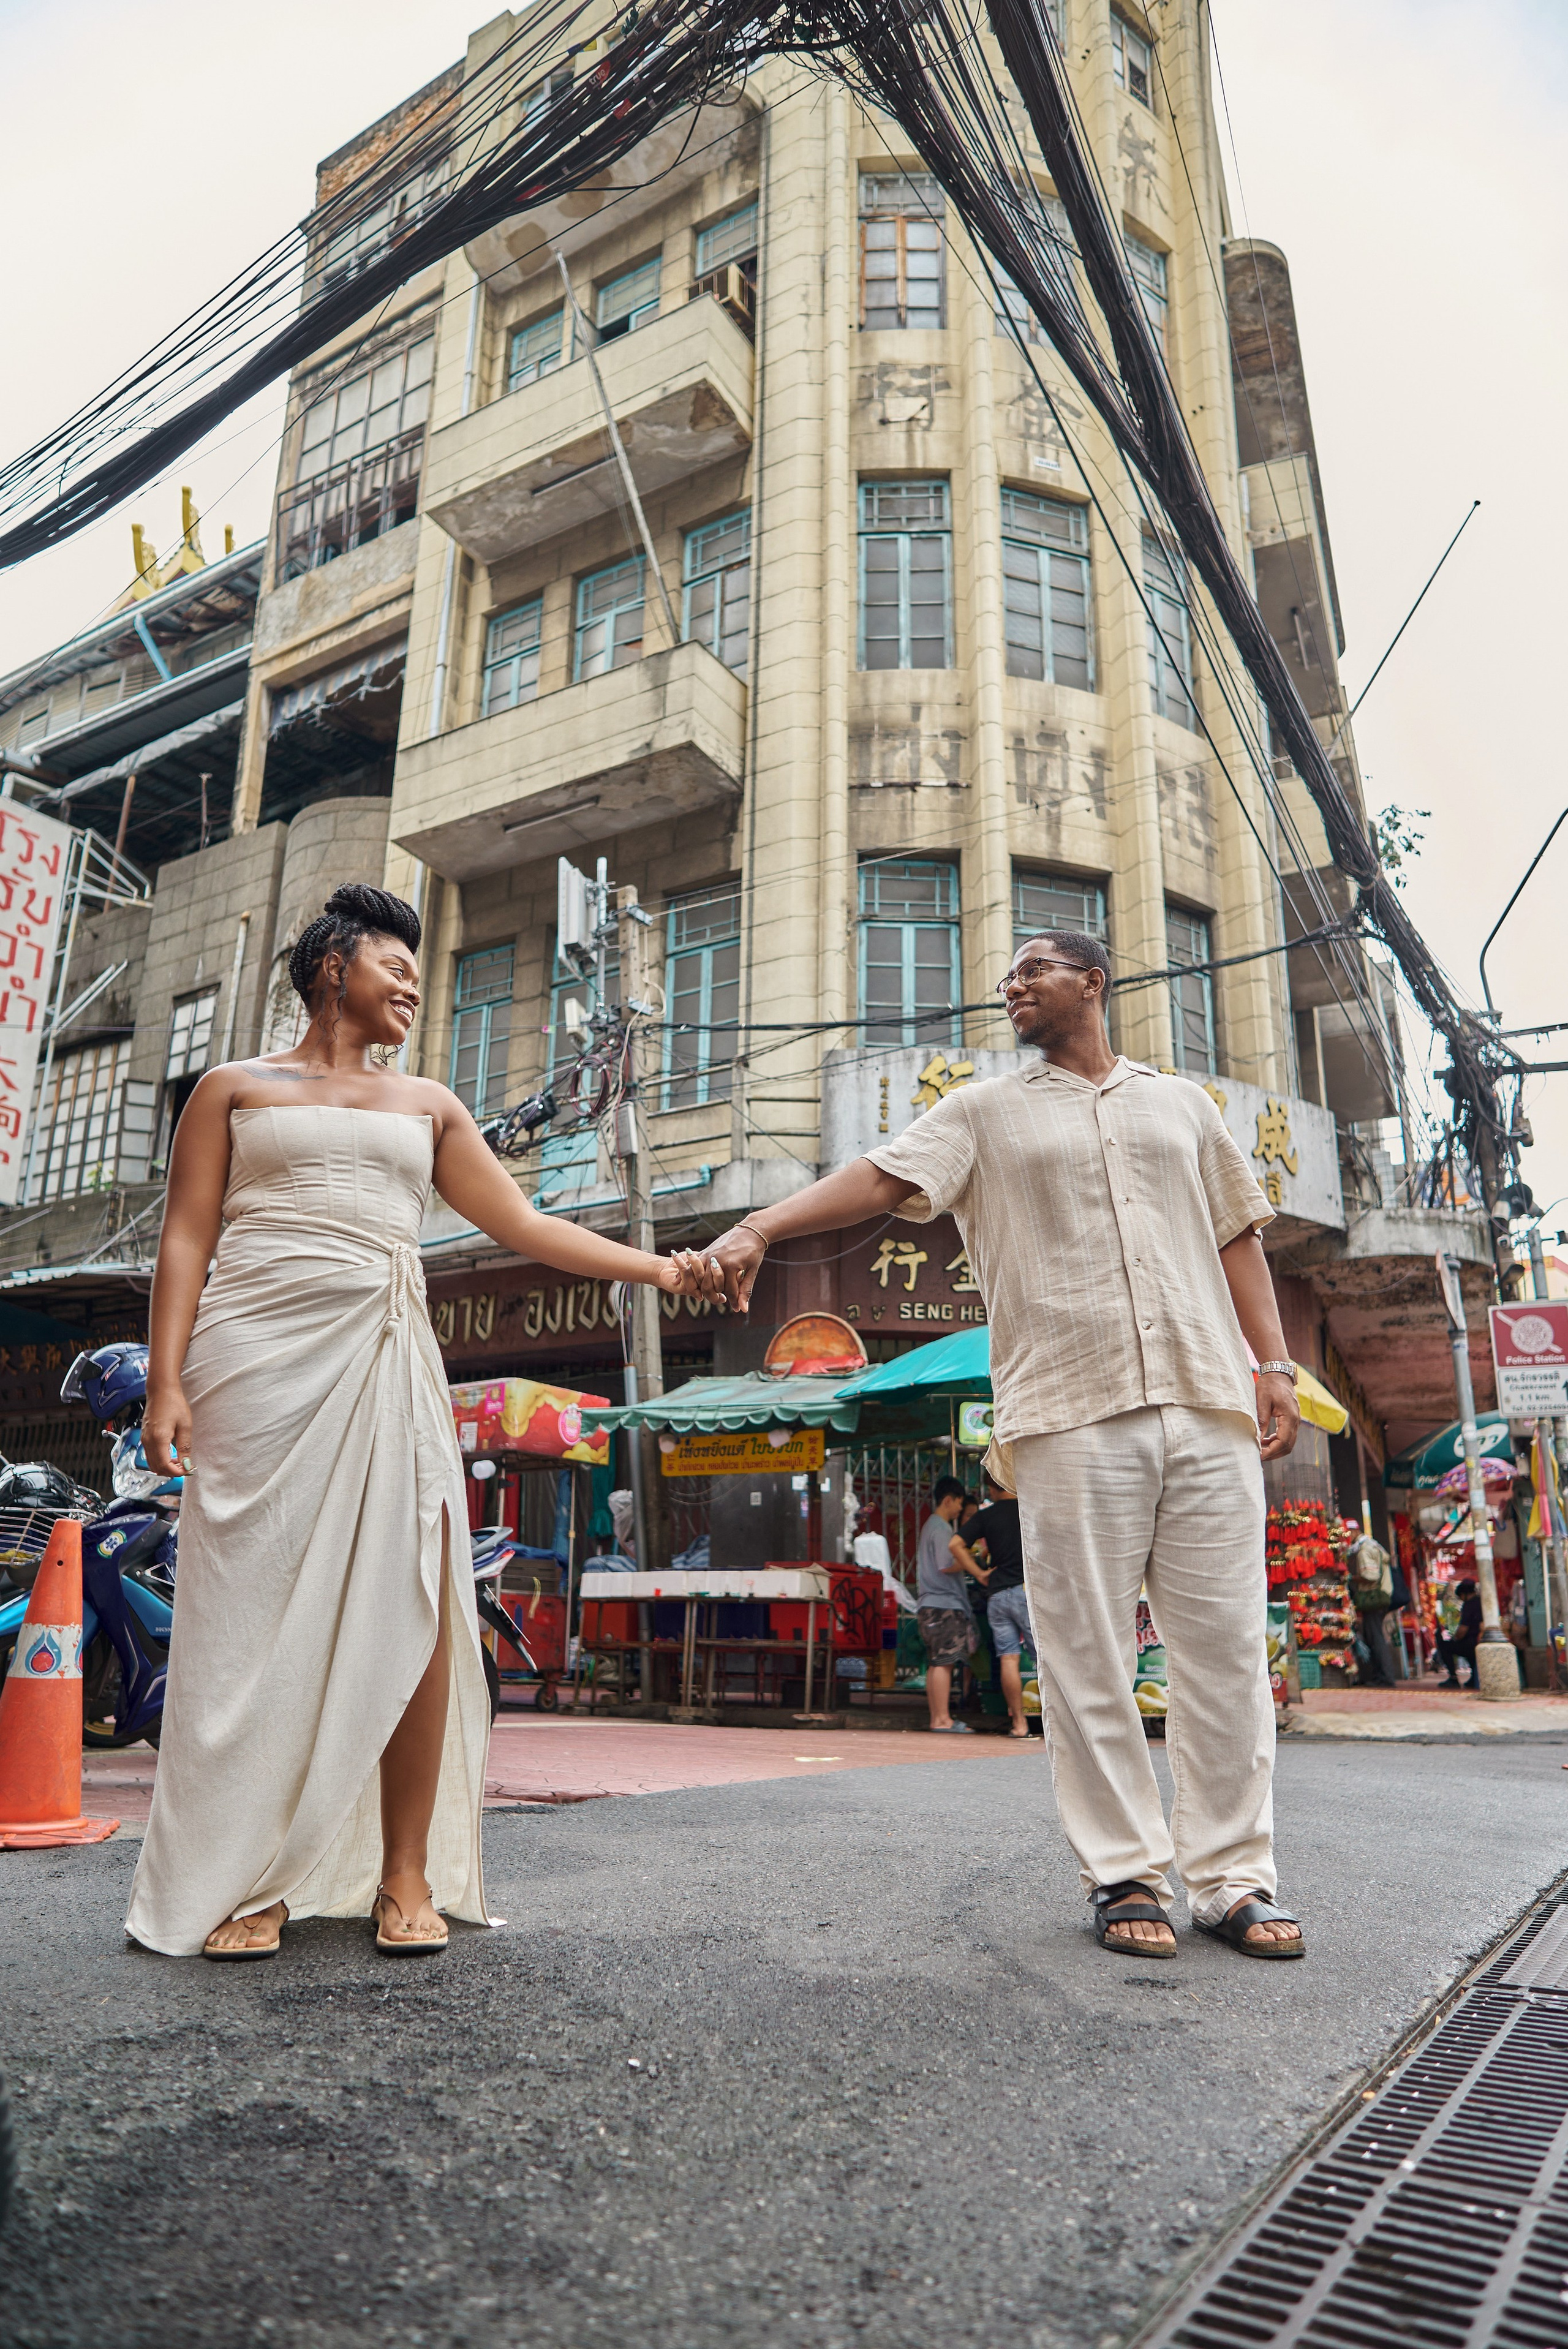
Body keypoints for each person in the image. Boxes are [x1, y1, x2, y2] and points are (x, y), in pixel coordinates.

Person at [130, 884, 719, 1961]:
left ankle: (406, 1870)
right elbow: (185, 1239)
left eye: (417, 969)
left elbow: (530, 1223)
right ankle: (252, 1872)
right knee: (249, 1624)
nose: (409, 981)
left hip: (385, 1358)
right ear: (327, 967)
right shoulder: (229, 1088)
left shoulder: (431, 1107)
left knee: (417, 1599)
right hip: (254, 1362)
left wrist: (665, 1271)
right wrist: (167, 1382)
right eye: (389, 962)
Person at [707, 931, 1305, 1961]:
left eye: (1036, 968)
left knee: (1225, 1655)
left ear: (1095, 982)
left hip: (1209, 1401)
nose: (1014, 984)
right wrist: (762, 1226)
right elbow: (880, 1179)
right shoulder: (985, 1109)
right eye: (1010, 975)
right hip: (1072, 1408)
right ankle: (1125, 1872)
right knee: (1087, 1656)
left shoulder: (1182, 1106)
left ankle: (1233, 1881)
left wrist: (1278, 1364)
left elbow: (1236, 1235)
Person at [949, 1473, 1033, 1738]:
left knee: (1009, 1658)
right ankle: (1064, 1724)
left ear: (992, 1488)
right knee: (1045, 1659)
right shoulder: (1030, 1509)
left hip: (997, 1595)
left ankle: (1019, 1724)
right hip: (1025, 1592)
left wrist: (979, 1573)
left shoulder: (987, 1515)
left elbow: (956, 1544)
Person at [916, 1476, 981, 1732]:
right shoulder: (942, 1528)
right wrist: (972, 1562)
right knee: (945, 1663)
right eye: (959, 1503)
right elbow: (947, 1565)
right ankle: (943, 1719)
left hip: (929, 1604)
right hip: (944, 1605)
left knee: (936, 1663)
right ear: (948, 1500)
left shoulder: (929, 1526)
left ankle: (937, 1718)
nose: (960, 1509)